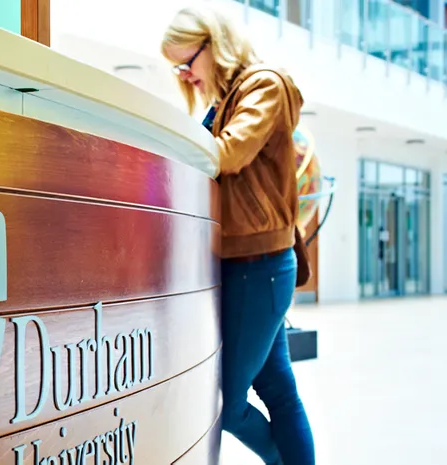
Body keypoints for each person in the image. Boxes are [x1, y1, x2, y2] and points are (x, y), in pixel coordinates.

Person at [161, 3, 315, 465]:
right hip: (250, 267)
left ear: (215, 45)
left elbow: (227, 154)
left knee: (224, 403)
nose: (185, 76)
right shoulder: (227, 99)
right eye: (178, 68)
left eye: (187, 63)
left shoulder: (263, 85)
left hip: (259, 266)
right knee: (277, 389)